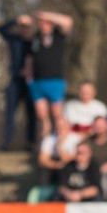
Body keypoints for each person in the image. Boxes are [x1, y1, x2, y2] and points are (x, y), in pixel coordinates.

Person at [28, 11, 74, 140]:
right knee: (41, 116)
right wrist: (29, 77)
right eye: (41, 22)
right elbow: (29, 57)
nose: (43, 25)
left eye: (46, 23)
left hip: (55, 81)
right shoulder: (35, 38)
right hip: (37, 81)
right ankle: (43, 143)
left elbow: (68, 21)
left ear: (52, 24)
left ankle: (61, 141)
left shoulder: (59, 36)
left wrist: (47, 15)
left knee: (57, 114)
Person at [0, 14, 36, 150]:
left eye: (28, 27)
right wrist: (16, 20)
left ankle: (30, 143)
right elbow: (1, 29)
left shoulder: (35, 42)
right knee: (10, 113)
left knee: (31, 114)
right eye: (23, 27)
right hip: (15, 81)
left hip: (31, 82)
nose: (25, 29)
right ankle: (7, 142)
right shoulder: (15, 40)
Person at [37, 116, 82, 186]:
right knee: (44, 171)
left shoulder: (76, 139)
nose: (60, 128)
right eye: (58, 126)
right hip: (55, 163)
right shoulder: (49, 139)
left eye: (63, 126)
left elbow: (67, 158)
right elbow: (42, 160)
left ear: (68, 126)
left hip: (70, 165)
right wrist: (57, 165)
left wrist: (60, 145)